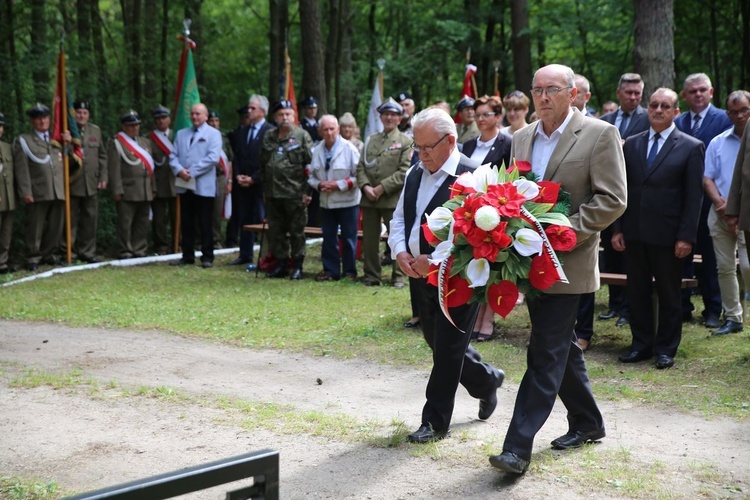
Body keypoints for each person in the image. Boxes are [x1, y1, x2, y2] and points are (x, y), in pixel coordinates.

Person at [488, 64, 627, 475]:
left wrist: (564, 232)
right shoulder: (521, 137)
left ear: (573, 93)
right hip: (530, 261)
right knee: (559, 346)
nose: (544, 97)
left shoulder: (600, 134)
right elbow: (514, 192)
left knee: (544, 351)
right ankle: (588, 421)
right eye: (538, 90)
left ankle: (516, 448)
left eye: (552, 89)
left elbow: (613, 198)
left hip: (569, 261)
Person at [388, 107, 505, 444]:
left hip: (458, 279)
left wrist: (436, 262)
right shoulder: (414, 172)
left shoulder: (472, 179)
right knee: (436, 342)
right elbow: (400, 219)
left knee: (449, 348)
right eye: (417, 147)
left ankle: (435, 422)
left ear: (451, 141)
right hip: (417, 274)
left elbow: (476, 239)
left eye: (427, 147)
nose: (421, 154)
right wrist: (400, 251)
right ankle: (486, 380)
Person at [613, 88, 704, 369]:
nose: (658, 110)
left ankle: (666, 348)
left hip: (669, 236)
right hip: (634, 233)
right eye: (654, 105)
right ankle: (641, 344)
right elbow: (621, 190)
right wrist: (617, 228)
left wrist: (686, 236)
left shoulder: (690, 146)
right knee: (636, 292)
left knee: (669, 294)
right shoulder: (633, 144)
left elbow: (693, 198)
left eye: (666, 106)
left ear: (676, 112)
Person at [675, 73, 733, 329]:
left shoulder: (723, 119)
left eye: (702, 90)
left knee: (711, 258)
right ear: (684, 95)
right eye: (692, 91)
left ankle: (713, 309)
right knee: (681, 255)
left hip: (713, 200)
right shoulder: (677, 121)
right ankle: (683, 306)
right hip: (682, 201)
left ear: (711, 92)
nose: (698, 95)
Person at [598, 73, 650, 328]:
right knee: (610, 249)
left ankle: (630, 308)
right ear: (619, 93)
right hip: (608, 192)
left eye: (637, 93)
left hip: (636, 193)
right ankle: (614, 303)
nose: (632, 97)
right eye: (628, 93)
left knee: (632, 253)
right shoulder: (605, 121)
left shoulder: (648, 119)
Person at [460, 95, 512, 341]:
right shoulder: (468, 145)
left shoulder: (507, 143)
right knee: (475, 265)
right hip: (470, 214)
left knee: (493, 266)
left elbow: (511, 178)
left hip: (496, 214)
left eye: (486, 115)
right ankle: (474, 316)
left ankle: (487, 318)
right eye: (477, 114)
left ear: (498, 117)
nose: (480, 119)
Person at [702, 90, 750, 336]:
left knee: (748, 267)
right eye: (734, 111)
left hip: (747, 215)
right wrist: (723, 206)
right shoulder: (718, 142)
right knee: (725, 267)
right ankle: (733, 317)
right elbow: (707, 177)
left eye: (744, 110)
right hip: (719, 212)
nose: (740, 115)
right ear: (727, 114)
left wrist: (738, 210)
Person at [357, 97, 412, 287]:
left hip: (392, 199)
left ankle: (399, 276)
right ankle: (372, 275)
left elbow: (405, 171)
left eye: (393, 114)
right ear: (380, 117)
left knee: (397, 238)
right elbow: (360, 168)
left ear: (399, 118)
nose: (389, 117)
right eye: (386, 114)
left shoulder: (406, 141)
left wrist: (381, 188)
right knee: (370, 241)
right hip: (370, 199)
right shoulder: (371, 140)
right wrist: (366, 187)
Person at [260, 99, 314, 279]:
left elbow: (312, 166)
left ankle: (297, 265)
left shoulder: (302, 136)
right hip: (273, 193)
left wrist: (308, 192)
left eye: (288, 114)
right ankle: (281, 264)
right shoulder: (269, 136)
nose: (285, 117)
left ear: (294, 116)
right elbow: (263, 164)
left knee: (297, 231)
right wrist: (264, 190)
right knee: (276, 231)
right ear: (275, 117)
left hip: (295, 193)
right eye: (281, 114)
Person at [14, 103, 69, 271]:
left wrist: (68, 144)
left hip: (57, 189)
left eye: (45, 117)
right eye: (38, 118)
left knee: (56, 225)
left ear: (50, 119)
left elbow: (69, 163)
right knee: (35, 226)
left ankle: (49, 254)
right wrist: (26, 191)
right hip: (37, 190)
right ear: (32, 121)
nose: (42, 121)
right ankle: (33, 256)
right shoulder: (24, 140)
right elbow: (21, 169)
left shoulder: (57, 140)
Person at [169, 103, 223, 268]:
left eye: (198, 114)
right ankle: (187, 255)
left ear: (206, 116)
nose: (194, 117)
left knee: (205, 222)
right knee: (187, 221)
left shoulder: (214, 134)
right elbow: (173, 155)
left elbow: (213, 158)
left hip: (203, 185)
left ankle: (207, 256)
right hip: (184, 184)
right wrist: (179, 170)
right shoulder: (181, 133)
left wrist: (191, 172)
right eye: (192, 114)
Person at [308, 115, 361, 281]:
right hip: (326, 202)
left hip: (348, 202)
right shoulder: (316, 150)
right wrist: (318, 185)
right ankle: (330, 271)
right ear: (320, 131)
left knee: (348, 238)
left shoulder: (350, 148)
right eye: (326, 129)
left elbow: (359, 176)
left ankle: (350, 272)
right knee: (328, 238)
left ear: (338, 129)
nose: (329, 132)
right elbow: (311, 176)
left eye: (332, 129)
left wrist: (339, 184)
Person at [227, 95, 274, 270]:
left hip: (260, 185)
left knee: (261, 219)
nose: (249, 111)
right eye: (249, 108)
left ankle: (265, 256)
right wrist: (238, 175)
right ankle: (245, 254)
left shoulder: (270, 131)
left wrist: (254, 178)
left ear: (262, 111)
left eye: (253, 108)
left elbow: (268, 160)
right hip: (243, 184)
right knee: (244, 220)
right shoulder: (243, 131)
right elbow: (237, 157)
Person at [570, 75, 597, 351]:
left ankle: (584, 331)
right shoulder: (531, 133)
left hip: (582, 227)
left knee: (584, 286)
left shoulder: (599, 130)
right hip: (545, 230)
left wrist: (572, 227)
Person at [107, 110, 155, 260]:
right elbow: (114, 169)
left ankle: (139, 248)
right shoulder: (116, 143)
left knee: (142, 221)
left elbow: (151, 168)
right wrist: (116, 190)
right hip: (127, 189)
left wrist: (153, 188)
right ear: (124, 127)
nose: (134, 128)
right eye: (131, 125)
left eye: (137, 125)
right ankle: (125, 250)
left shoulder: (145, 142)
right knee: (125, 223)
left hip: (145, 188)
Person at [64, 101, 107, 263]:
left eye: (85, 113)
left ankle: (88, 252)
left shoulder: (95, 130)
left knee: (90, 218)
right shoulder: (67, 130)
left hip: (92, 182)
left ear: (88, 115)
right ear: (73, 113)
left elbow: (102, 155)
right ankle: (70, 253)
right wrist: (67, 142)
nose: (81, 116)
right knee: (71, 220)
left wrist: (103, 177)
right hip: (73, 182)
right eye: (79, 112)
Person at [147, 104, 177, 255]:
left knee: (177, 216)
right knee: (159, 218)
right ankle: (161, 246)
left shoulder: (178, 135)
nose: (161, 121)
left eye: (164, 118)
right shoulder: (149, 138)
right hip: (159, 182)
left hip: (177, 182)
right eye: (158, 119)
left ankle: (178, 243)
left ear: (169, 119)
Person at [225, 104, 253, 247]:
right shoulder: (233, 135)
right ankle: (232, 239)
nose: (246, 119)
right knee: (235, 211)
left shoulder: (259, 133)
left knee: (253, 211)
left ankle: (252, 238)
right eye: (244, 117)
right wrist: (235, 176)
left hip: (253, 178)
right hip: (237, 177)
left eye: (248, 117)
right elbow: (232, 158)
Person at [207, 109, 233, 249]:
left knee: (217, 210)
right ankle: (201, 240)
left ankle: (216, 240)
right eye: (211, 121)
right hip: (205, 176)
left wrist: (229, 181)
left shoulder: (224, 138)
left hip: (220, 177)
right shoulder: (203, 137)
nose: (214, 123)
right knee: (204, 209)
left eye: (217, 121)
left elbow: (229, 161)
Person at [0, 112, 17, 274]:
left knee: (6, 231)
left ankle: (2, 262)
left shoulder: (7, 147)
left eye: (0, 126)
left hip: (9, 196)